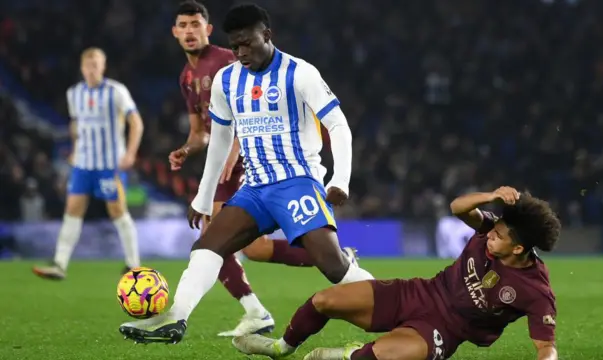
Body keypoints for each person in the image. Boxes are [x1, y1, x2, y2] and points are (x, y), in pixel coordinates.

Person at [119, 3, 374, 344]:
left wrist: (339, 179)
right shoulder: (227, 80)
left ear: (266, 35)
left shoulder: (300, 73)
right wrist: (204, 196)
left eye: (247, 43)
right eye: (235, 45)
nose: (240, 52)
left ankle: (395, 308)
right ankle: (173, 318)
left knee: (333, 268)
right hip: (254, 189)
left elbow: (338, 125)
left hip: (297, 182)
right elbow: (221, 138)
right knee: (207, 245)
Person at [233, 187, 560, 360]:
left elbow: (546, 347)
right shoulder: (490, 228)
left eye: (499, 237)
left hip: (444, 331)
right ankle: (281, 348)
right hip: (418, 292)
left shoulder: (535, 290)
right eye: (494, 230)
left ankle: (346, 354)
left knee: (382, 356)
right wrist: (490, 196)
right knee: (323, 300)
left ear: (519, 249)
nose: (490, 235)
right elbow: (458, 207)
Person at [33, 48, 144, 279]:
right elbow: (76, 124)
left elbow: (136, 122)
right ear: (82, 68)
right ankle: (59, 264)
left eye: (97, 65)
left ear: (103, 67)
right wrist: (74, 150)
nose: (92, 69)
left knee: (117, 210)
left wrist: (131, 153)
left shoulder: (116, 91)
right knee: (72, 210)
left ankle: (133, 264)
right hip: (83, 164)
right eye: (88, 65)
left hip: (109, 164)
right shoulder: (74, 93)